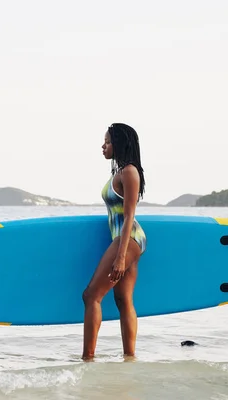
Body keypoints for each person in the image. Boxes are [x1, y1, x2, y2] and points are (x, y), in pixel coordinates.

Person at [81, 122, 146, 361]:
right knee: (122, 299)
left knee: (91, 295)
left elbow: (129, 214)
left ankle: (87, 359)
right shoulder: (118, 172)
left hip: (128, 239)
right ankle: (130, 359)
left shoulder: (129, 172)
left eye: (107, 141)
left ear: (118, 143)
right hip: (124, 239)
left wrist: (120, 256)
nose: (103, 145)